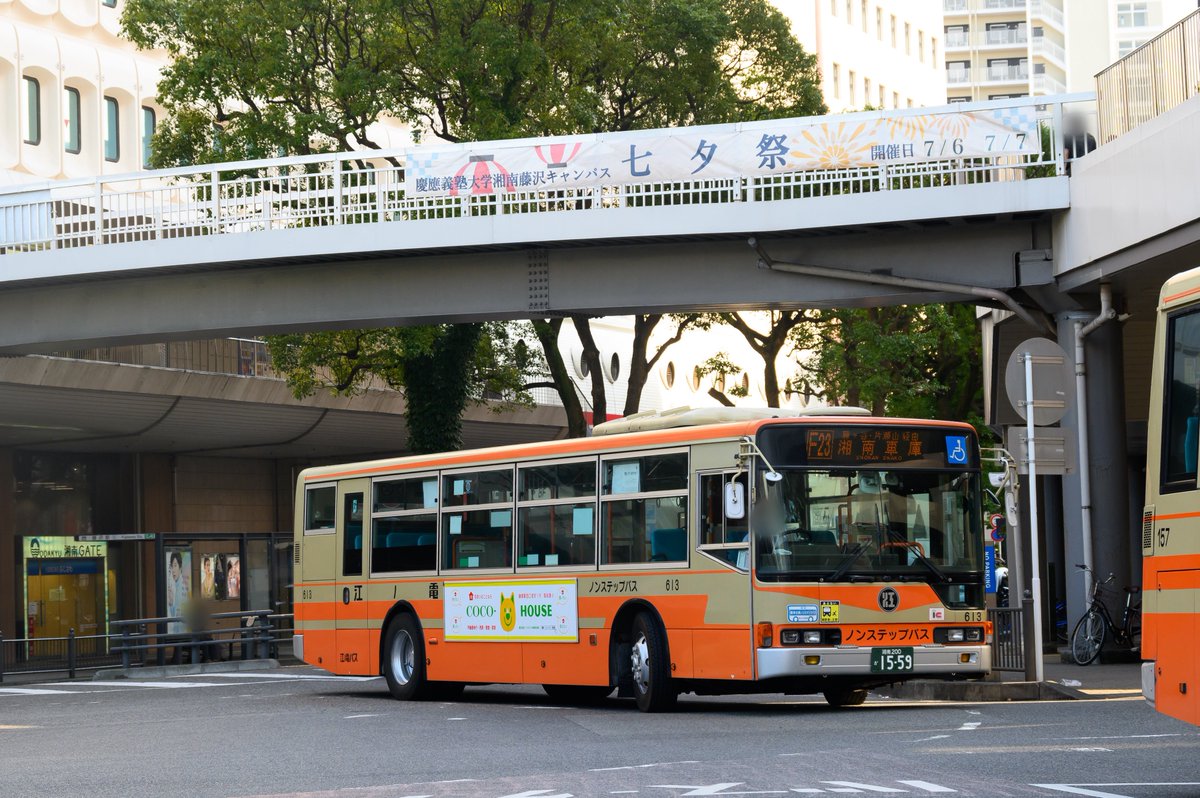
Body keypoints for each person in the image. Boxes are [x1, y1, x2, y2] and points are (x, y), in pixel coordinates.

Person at [166, 551, 188, 634]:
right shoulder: (176, 585)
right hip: (178, 632)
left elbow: (181, 616)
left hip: (181, 632)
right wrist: (171, 603)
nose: (173, 570)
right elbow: (175, 614)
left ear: (180, 567)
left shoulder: (182, 587)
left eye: (175, 565)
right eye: (172, 566)